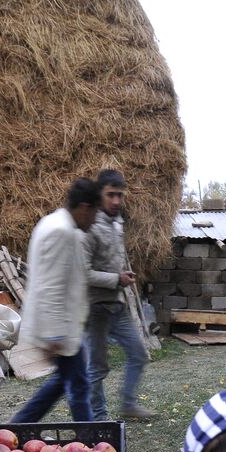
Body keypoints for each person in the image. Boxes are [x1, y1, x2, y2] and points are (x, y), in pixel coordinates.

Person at [11, 178, 100, 423]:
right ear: (84, 207)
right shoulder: (61, 231)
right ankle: (92, 442)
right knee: (79, 388)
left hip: (62, 329)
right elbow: (51, 286)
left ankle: (17, 426)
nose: (94, 221)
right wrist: (54, 336)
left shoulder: (53, 223)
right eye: (94, 213)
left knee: (64, 383)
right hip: (59, 330)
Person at [85, 168, 154, 420]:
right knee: (96, 369)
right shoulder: (89, 226)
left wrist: (120, 274)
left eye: (119, 195)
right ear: (99, 195)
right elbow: (83, 274)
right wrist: (117, 278)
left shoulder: (117, 223)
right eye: (110, 195)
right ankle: (98, 419)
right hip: (95, 309)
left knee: (138, 354)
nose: (116, 201)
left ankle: (128, 404)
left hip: (116, 304)